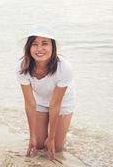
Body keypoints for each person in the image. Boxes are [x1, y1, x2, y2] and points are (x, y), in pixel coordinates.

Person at [16, 30, 75, 160]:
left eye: (45, 44)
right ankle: (47, 135)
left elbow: (55, 104)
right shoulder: (22, 67)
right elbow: (30, 103)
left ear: (53, 47)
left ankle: (63, 135)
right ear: (28, 47)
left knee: (57, 147)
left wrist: (52, 137)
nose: (39, 49)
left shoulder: (64, 67)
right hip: (41, 100)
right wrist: (32, 136)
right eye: (35, 44)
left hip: (63, 102)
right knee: (38, 145)